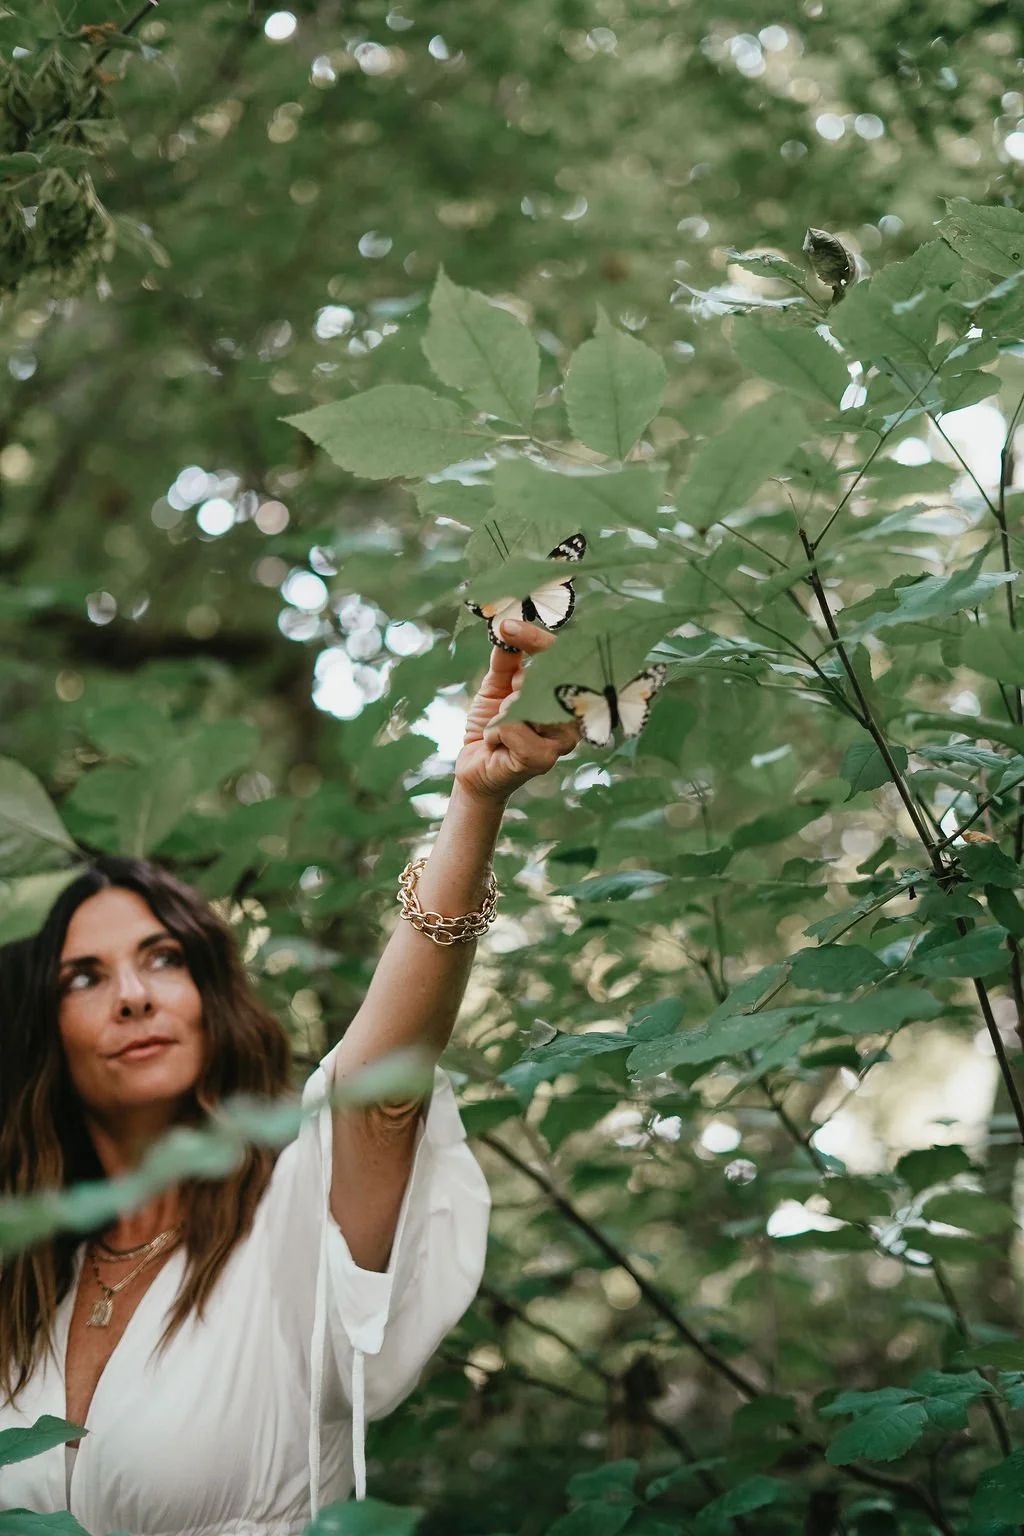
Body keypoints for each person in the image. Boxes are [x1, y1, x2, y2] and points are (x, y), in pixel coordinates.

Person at [0, 616, 580, 1536]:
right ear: (45, 1030)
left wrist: (474, 803)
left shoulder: (288, 1225)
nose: (132, 998)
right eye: (85, 975)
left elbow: (381, 1090)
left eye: (162, 959)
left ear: (209, 997)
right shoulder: (24, 1283)